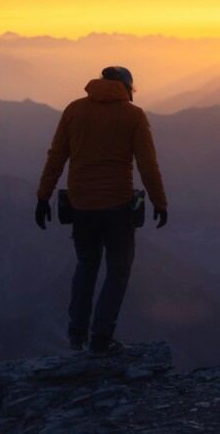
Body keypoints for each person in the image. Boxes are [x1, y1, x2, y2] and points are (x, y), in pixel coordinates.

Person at [35, 66, 168, 357]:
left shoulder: (74, 110)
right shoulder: (133, 116)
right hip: (119, 207)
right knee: (118, 272)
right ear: (127, 88)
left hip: (82, 207)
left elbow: (56, 157)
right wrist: (160, 202)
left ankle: (76, 334)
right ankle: (100, 340)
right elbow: (148, 165)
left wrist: (43, 197)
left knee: (86, 265)